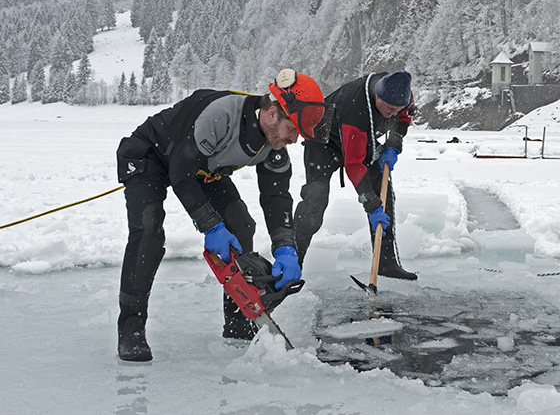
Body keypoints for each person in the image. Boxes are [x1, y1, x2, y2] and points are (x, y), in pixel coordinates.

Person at [115, 69, 332, 361]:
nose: (294, 140)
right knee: (148, 232)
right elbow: (181, 173)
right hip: (150, 156)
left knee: (241, 225)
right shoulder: (221, 115)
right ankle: (131, 327)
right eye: (292, 130)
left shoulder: (275, 145)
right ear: (271, 113)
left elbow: (276, 197)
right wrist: (210, 226)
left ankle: (239, 323)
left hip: (203, 168)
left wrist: (286, 248)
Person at [293, 71, 417, 280]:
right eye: (388, 108)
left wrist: (394, 144)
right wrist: (369, 202)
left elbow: (405, 117)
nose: (392, 113)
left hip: (363, 139)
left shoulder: (401, 96)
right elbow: (354, 164)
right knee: (315, 200)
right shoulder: (356, 108)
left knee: (383, 194)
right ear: (377, 96)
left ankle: (385, 262)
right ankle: (293, 262)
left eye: (397, 108)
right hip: (324, 145)